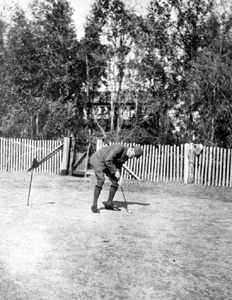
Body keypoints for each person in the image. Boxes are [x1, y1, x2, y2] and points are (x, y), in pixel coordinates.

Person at [90, 143, 143, 213]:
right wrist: (115, 172)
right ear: (132, 150)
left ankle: (109, 203)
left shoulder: (126, 156)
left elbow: (118, 165)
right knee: (101, 180)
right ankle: (94, 205)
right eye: (134, 155)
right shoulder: (119, 148)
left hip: (108, 163)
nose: (133, 158)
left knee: (115, 182)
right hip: (99, 160)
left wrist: (119, 176)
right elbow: (108, 160)